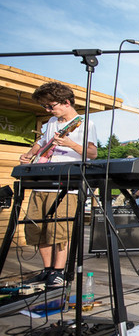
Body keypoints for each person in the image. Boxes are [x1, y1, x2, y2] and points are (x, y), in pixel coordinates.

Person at [19, 82, 98, 287]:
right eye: (45, 107)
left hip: (66, 183)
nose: (48, 110)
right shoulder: (52, 121)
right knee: (38, 228)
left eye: (51, 106)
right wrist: (29, 155)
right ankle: (47, 270)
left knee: (60, 230)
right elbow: (41, 143)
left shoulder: (84, 123)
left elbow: (92, 153)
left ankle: (58, 271)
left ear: (66, 102)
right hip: (42, 181)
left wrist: (70, 144)